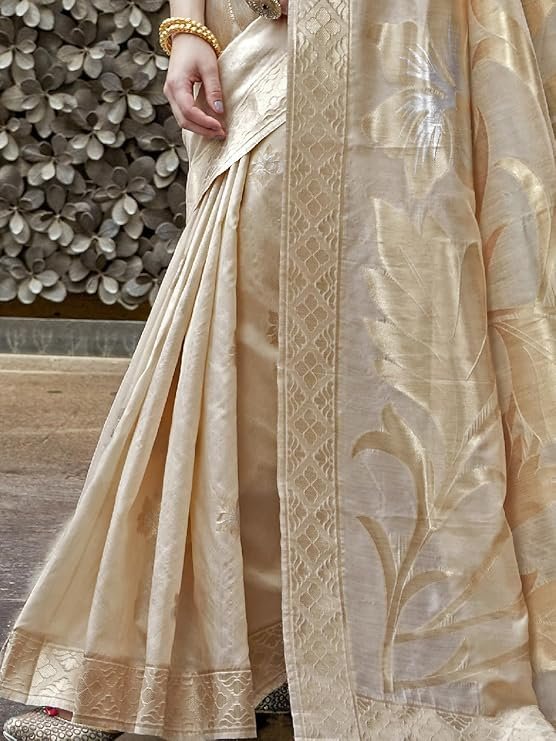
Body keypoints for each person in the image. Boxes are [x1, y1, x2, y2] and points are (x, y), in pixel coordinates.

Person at [1, 0, 556, 739]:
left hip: (414, 49)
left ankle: (318, 655)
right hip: (273, 40)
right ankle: (157, 663)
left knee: (407, 350)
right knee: (232, 343)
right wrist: (188, 27)